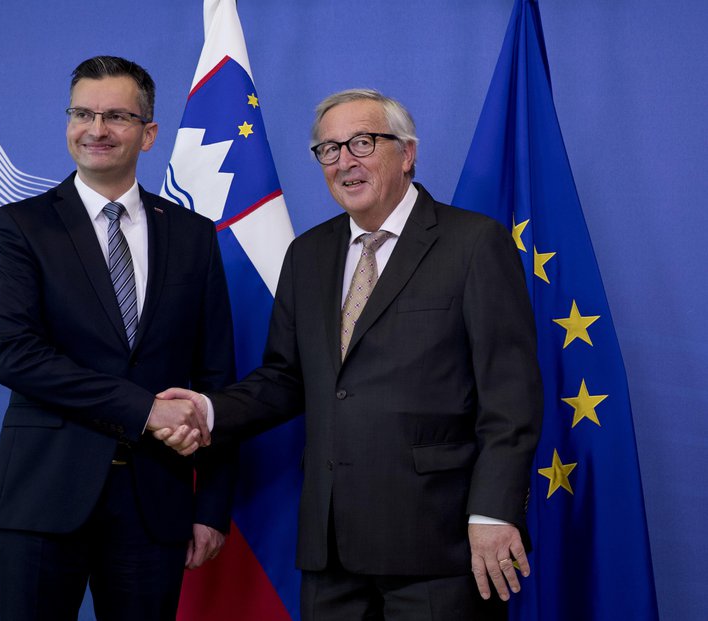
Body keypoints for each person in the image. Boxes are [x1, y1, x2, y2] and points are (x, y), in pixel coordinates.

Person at [159, 89, 543, 620]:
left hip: (441, 543)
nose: (345, 161)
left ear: (406, 153)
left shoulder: (475, 244)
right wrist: (208, 411)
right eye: (329, 150)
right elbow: (286, 379)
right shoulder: (308, 254)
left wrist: (493, 511)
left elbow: (511, 398)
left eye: (362, 142)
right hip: (331, 545)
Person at [0, 55, 237, 621]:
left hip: (157, 504)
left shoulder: (193, 235)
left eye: (116, 116)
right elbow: (18, 357)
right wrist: (146, 411)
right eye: (83, 113)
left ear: (148, 134)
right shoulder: (21, 225)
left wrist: (211, 506)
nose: (96, 130)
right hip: (42, 495)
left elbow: (217, 379)